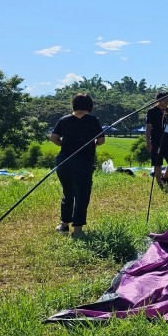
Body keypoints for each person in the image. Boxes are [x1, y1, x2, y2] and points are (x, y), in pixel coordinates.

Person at [50, 93, 105, 236]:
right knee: (82, 194)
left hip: (64, 160)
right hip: (84, 161)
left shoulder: (64, 120)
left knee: (68, 192)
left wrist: (64, 145)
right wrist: (93, 143)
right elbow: (101, 141)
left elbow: (54, 138)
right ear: (89, 105)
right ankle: (78, 229)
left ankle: (64, 225)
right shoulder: (93, 120)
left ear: (74, 104)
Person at [146, 91, 168, 187]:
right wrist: (148, 141)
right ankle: (159, 182)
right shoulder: (152, 111)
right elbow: (148, 127)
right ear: (158, 100)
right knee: (157, 163)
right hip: (156, 140)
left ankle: (165, 178)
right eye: (164, 100)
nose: (167, 102)